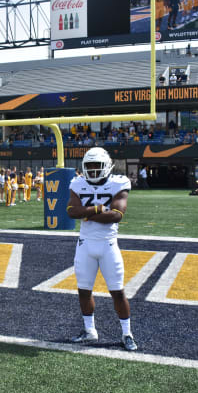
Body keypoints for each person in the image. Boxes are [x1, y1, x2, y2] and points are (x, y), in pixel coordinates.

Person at [66, 147, 137, 351]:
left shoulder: (119, 182)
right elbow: (71, 212)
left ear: (107, 166)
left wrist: (85, 213)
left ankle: (127, 333)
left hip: (108, 244)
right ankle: (90, 331)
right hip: (85, 244)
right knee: (84, 290)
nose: (94, 170)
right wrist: (97, 209)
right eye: (90, 166)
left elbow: (116, 215)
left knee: (117, 291)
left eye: (98, 166)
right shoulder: (78, 183)